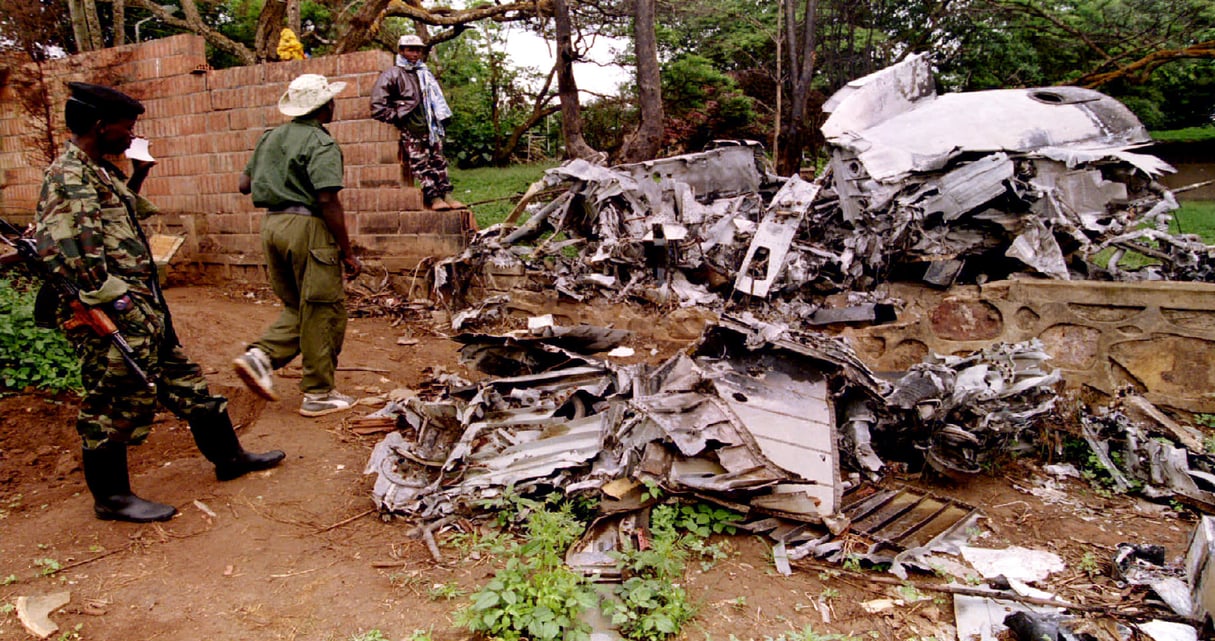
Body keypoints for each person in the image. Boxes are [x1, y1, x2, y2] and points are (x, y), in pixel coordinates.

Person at [35, 82, 285, 523]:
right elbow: (74, 252)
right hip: (112, 311)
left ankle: (230, 458)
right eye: (126, 128)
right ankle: (111, 498)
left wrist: (138, 173)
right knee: (115, 397)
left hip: (140, 306)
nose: (130, 136)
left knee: (183, 379)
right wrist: (117, 308)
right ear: (99, 125)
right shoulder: (69, 177)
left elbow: (124, 216)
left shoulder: (98, 170)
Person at [234, 74, 363, 418]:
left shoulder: (269, 138)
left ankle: (260, 357)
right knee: (323, 308)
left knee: (297, 306)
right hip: (307, 227)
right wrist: (346, 251)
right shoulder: (321, 143)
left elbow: (245, 184)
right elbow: (327, 200)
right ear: (324, 105)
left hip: (272, 226)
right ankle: (318, 393)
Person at [370, 34, 460, 210]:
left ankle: (447, 195)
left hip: (430, 127)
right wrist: (399, 117)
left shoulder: (424, 73)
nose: (415, 54)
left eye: (418, 50)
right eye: (410, 49)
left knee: (439, 161)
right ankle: (433, 198)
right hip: (412, 128)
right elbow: (377, 106)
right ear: (401, 51)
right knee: (420, 164)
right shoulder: (393, 74)